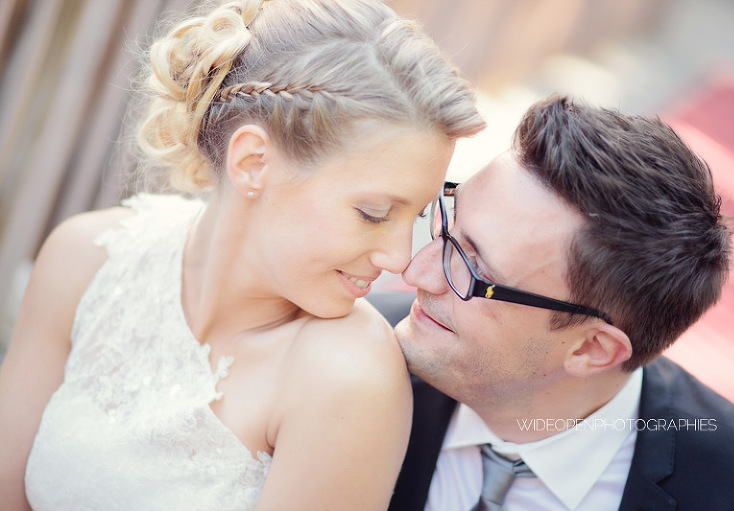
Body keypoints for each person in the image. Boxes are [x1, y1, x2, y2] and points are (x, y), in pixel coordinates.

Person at [0, 1, 485, 509]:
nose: (399, 258)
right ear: (253, 162)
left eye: (417, 216)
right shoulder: (86, 261)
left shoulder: (348, 374)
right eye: (373, 213)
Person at [387, 95, 734, 510]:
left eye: (475, 272)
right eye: (448, 227)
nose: (415, 273)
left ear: (591, 348)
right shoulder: (353, 349)